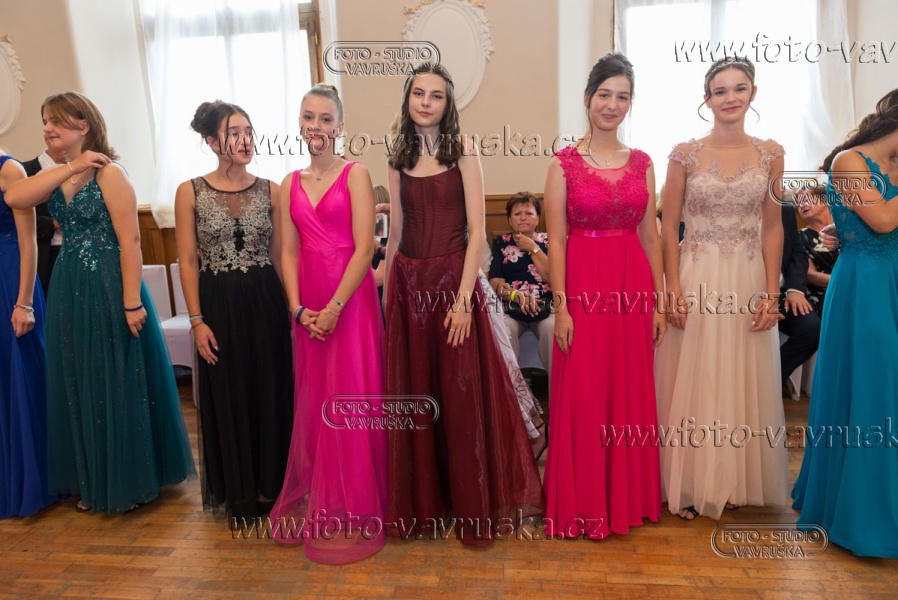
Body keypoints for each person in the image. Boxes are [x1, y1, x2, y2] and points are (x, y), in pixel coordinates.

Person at [5, 91, 195, 514]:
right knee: (80, 377)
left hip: (109, 282)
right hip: (69, 283)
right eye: (44, 121)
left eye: (56, 121)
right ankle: (94, 479)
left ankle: (130, 479)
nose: (47, 129)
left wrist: (131, 301)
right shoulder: (61, 173)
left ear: (83, 124)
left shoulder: (110, 173)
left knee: (115, 376)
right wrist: (70, 165)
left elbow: (130, 240)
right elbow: (15, 198)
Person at [383, 63, 544, 546]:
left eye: (436, 95)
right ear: (408, 98)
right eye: (418, 93)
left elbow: (477, 232)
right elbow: (396, 235)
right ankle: (427, 506)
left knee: (460, 395)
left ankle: (471, 504)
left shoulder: (464, 151)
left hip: (454, 285)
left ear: (448, 103)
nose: (426, 102)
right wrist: (389, 296)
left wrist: (462, 302)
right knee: (419, 393)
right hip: (409, 284)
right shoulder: (397, 156)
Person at [654, 56, 789, 521]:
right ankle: (689, 480)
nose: (730, 97)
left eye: (739, 88)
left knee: (738, 374)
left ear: (754, 93)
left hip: (747, 277)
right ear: (706, 99)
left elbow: (772, 228)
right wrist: (671, 289)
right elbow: (668, 227)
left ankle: (729, 479)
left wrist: (771, 293)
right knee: (694, 375)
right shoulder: (684, 155)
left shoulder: (771, 154)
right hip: (696, 274)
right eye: (720, 90)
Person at [543, 53, 666, 538]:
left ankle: (626, 499)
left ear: (630, 104)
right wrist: (562, 308)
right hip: (583, 287)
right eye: (604, 95)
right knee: (586, 391)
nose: (612, 105)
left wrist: (657, 303)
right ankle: (585, 503)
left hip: (632, 287)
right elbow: (556, 240)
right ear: (587, 98)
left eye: (622, 97)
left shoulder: (643, 163)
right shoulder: (563, 164)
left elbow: (651, 237)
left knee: (628, 390)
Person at [270, 84, 386, 564]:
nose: (315, 126)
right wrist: (297, 309)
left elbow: (365, 248)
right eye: (307, 117)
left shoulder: (356, 174)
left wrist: (336, 307)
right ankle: (327, 494)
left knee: (352, 393)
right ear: (299, 123)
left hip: (350, 302)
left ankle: (359, 499)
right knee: (316, 397)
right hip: (308, 303)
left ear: (340, 127)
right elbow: (287, 252)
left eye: (324, 118)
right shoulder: (288, 184)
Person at [174, 100, 293, 522]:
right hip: (218, 304)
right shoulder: (189, 191)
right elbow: (188, 261)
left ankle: (272, 487)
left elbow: (280, 257)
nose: (245, 140)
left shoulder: (272, 190)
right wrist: (196, 321)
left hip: (265, 301)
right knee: (229, 391)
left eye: (249, 131)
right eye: (234, 133)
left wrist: (292, 308)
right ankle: (239, 490)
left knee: (270, 391)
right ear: (211, 141)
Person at [792, 88, 898, 558]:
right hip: (866, 287)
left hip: (889, 277)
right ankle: (864, 512)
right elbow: (884, 220)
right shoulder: (850, 162)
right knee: (873, 389)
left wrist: (843, 224)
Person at [0, 153, 55, 519]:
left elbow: (28, 241)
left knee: (18, 378)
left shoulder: (8, 169)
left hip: (10, 281)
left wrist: (24, 303)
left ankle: (29, 479)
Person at [489, 192, 554, 376]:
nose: (523, 217)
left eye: (529, 213)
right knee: (504, 330)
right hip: (513, 307)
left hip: (546, 306)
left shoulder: (549, 241)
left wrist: (532, 247)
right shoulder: (501, 243)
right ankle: (511, 391)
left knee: (551, 330)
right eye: (517, 214)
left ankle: (557, 392)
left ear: (538, 218)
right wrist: (515, 295)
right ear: (510, 220)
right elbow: (495, 282)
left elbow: (553, 277)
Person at [778, 202, 820, 392]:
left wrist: (794, 289)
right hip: (737, 292)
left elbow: (798, 253)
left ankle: (768, 380)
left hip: (779, 292)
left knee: (811, 329)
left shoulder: (785, 210)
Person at [22, 142, 65, 297]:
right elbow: (12, 219)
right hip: (44, 257)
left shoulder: (90, 170)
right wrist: (51, 224)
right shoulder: (24, 170)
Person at [796, 181, 839, 317]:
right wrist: (846, 281)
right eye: (799, 203)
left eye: (806, 199)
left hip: (861, 286)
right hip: (825, 296)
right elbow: (810, 276)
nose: (801, 205)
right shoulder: (799, 237)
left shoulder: (847, 229)